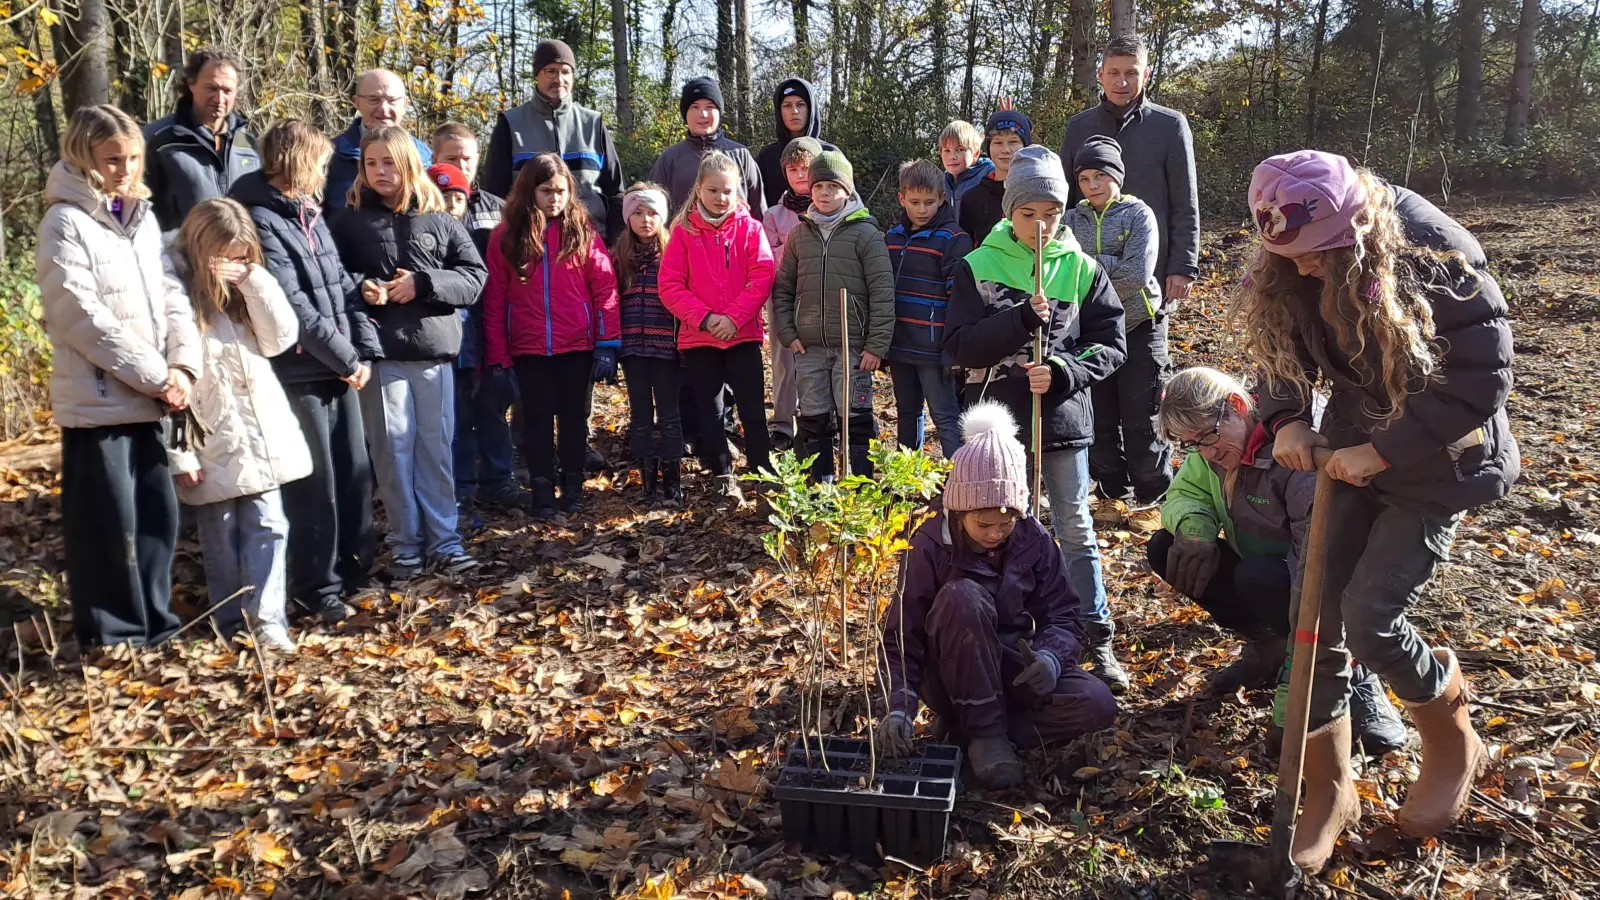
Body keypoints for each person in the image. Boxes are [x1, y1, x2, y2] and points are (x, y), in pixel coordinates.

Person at [1237, 150, 1518, 869]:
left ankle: (1454, 742)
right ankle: (1329, 791)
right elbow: (1278, 356)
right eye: (1287, 258)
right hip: (1356, 447)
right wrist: (1288, 420)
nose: (1300, 270)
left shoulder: (1434, 252)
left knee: (1370, 616)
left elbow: (1481, 376)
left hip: (1440, 463)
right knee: (1315, 612)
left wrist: (1383, 451)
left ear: (1355, 230)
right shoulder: (1291, 259)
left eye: (1315, 258)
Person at [943, 145, 1130, 692]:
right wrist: (1021, 319)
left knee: (1074, 526)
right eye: (1029, 214)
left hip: (1063, 422)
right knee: (1006, 523)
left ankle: (1092, 632)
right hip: (999, 424)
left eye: (1052, 213)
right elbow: (959, 347)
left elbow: (1110, 344)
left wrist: (1065, 372)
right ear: (1009, 212)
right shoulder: (979, 265)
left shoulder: (1082, 267)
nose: (1041, 224)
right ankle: (1008, 628)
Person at [1152, 367, 1406, 754]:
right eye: (1192, 444)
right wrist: (1195, 526)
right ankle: (1267, 647)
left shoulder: (1296, 454)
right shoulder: (1212, 451)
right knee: (1164, 547)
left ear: (1237, 407)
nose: (1206, 452)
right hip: (1272, 576)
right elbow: (1185, 492)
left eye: (1208, 437)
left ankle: (1357, 675)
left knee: (1262, 578)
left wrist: (1294, 695)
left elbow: (1318, 574)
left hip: (1326, 584)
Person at [877, 400, 1118, 788]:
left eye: (1006, 523)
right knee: (963, 597)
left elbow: (1064, 615)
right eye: (983, 523)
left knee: (1098, 705)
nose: (995, 532)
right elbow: (902, 636)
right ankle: (986, 739)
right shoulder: (928, 543)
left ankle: (969, 730)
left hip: (1011, 666)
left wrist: (1051, 659)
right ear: (958, 510)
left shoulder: (1033, 538)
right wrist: (899, 709)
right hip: (950, 672)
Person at [37, 105, 201, 648]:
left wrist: (183, 366)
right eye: (112, 160)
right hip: (99, 400)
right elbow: (79, 315)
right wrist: (156, 375)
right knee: (108, 526)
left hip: (156, 396)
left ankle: (156, 622)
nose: (124, 170)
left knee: (156, 520)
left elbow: (172, 293)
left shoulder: (143, 217)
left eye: (133, 159)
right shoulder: (64, 221)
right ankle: (114, 635)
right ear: (83, 156)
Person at [231, 119, 380, 623]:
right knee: (317, 488)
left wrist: (362, 348)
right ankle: (317, 590)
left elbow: (340, 286)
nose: (325, 170)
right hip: (301, 374)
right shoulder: (263, 221)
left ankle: (355, 574)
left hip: (340, 369)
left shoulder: (311, 214)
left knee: (355, 477)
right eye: (318, 161)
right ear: (297, 161)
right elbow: (294, 309)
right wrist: (347, 358)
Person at [331, 127, 486, 578]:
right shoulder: (348, 221)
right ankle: (405, 543)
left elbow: (474, 279)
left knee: (434, 451)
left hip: (435, 355)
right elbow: (335, 280)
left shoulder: (441, 220)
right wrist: (364, 288)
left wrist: (421, 283)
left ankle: (445, 541)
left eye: (389, 163)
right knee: (392, 453)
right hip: (380, 356)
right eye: (371, 163)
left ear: (409, 165)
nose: (381, 172)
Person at [163, 198, 310, 653]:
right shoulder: (172, 290)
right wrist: (179, 453)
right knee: (221, 533)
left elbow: (280, 339)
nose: (234, 266)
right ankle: (229, 622)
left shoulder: (246, 289)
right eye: (225, 257)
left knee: (271, 524)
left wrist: (256, 282)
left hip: (260, 429)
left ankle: (268, 622)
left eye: (242, 256)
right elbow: (166, 385)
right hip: (208, 434)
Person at [482, 153, 620, 519]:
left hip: (576, 344)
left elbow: (604, 287)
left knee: (574, 418)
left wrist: (607, 342)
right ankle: (542, 489)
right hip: (528, 347)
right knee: (536, 421)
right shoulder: (506, 237)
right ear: (529, 191)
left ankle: (572, 487)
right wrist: (498, 357)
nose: (554, 199)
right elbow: (495, 299)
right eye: (546, 191)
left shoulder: (582, 231)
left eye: (560, 191)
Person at [658, 152, 776, 504]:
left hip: (742, 335)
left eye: (727, 190)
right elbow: (670, 286)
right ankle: (723, 475)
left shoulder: (751, 228)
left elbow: (762, 275)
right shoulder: (682, 232)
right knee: (711, 411)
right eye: (713, 190)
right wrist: (708, 319)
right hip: (701, 338)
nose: (721, 197)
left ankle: (762, 472)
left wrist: (734, 318)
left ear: (737, 190)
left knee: (753, 409)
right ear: (698, 189)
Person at [770, 149, 894, 481]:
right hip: (808, 347)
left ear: (848, 191)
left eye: (833, 187)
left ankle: (861, 485)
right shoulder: (799, 236)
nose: (825, 194)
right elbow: (782, 287)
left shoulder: (867, 234)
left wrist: (876, 346)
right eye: (819, 186)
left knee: (854, 416)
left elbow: (882, 292)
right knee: (814, 416)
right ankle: (820, 486)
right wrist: (788, 333)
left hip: (853, 348)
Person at [1062, 136, 1171, 508]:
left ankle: (1152, 495)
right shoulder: (1069, 220)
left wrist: (1090, 266)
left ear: (1117, 177)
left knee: (1142, 414)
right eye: (1085, 179)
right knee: (1100, 415)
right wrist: (1110, 262)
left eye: (1100, 176)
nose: (1092, 185)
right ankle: (1112, 492)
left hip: (1142, 325)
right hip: (1094, 330)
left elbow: (1137, 273)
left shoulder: (1139, 214)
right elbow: (1062, 270)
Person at [1059, 34, 1199, 320]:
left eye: (1131, 73)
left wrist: (1183, 266)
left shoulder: (1170, 125)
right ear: (1100, 75)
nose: (1121, 82)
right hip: (1087, 278)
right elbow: (1065, 200)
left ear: (1146, 74)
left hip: (1150, 277)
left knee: (1147, 361)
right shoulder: (1079, 127)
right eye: (1113, 73)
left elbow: (1185, 202)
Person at [430, 124, 521, 512]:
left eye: (467, 157)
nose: (461, 164)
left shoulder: (497, 208)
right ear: (436, 158)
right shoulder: (425, 206)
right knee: (455, 416)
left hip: (492, 322)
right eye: (452, 157)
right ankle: (461, 488)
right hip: (448, 327)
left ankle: (500, 481)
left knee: (493, 409)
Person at [482, 39, 626, 244]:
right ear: (537, 75)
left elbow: (615, 192)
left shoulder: (593, 123)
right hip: (528, 244)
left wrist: (615, 243)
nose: (559, 79)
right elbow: (493, 195)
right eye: (551, 71)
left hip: (591, 242)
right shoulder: (510, 124)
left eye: (566, 71)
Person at [885, 160, 971, 458]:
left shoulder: (954, 239)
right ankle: (907, 481)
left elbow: (959, 299)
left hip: (934, 348)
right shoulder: (892, 238)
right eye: (915, 202)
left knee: (945, 415)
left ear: (942, 199)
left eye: (929, 202)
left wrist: (952, 349)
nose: (922, 209)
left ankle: (959, 481)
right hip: (899, 343)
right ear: (902, 199)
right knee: (907, 412)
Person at [615, 183, 683, 503]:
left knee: (669, 416)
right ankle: (647, 484)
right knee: (640, 416)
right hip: (633, 350)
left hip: (667, 349)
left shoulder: (674, 254)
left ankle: (673, 483)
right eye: (638, 213)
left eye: (652, 213)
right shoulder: (619, 258)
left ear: (662, 218)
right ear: (628, 217)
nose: (645, 219)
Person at [144, 47, 260, 232]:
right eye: (211, 88)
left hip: (238, 253)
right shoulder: (159, 139)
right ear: (191, 84)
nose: (219, 98)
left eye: (227, 91)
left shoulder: (247, 142)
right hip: (180, 255)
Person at [759, 136, 820, 451]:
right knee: (784, 361)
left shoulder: (832, 206)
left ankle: (820, 420)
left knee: (822, 359)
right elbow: (770, 258)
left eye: (805, 168)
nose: (800, 175)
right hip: (783, 296)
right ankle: (782, 425)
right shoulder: (773, 215)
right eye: (793, 169)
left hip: (821, 295)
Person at [650, 77, 766, 220]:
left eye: (709, 107)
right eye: (695, 107)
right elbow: (653, 211)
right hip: (684, 240)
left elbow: (759, 213)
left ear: (719, 111)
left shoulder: (740, 154)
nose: (703, 114)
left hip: (735, 241)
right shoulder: (669, 158)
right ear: (685, 114)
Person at [325, 69, 432, 212]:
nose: (383, 108)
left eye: (392, 100)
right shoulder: (329, 155)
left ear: (405, 104)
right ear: (357, 102)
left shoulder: (426, 157)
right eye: (373, 100)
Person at [754, 76, 834, 208]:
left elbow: (848, 204)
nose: (794, 111)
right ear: (779, 111)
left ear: (810, 109)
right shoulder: (767, 157)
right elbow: (756, 207)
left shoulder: (830, 154)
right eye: (787, 105)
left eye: (800, 104)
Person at [958, 107, 1031, 242]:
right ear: (988, 147)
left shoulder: (1036, 192)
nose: (1005, 150)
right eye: (998, 142)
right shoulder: (972, 198)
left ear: (1025, 146)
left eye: (1013, 142)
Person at [939, 120, 994, 223]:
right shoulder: (940, 181)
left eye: (959, 150)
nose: (952, 157)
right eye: (947, 150)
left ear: (975, 153)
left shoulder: (989, 174)